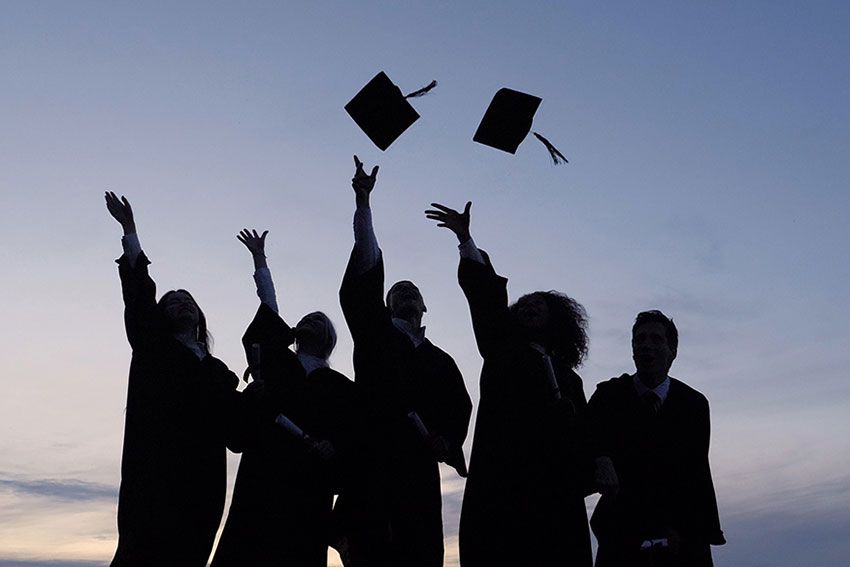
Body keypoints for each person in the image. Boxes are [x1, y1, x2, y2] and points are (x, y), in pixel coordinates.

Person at [425, 201, 594, 567]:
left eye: (538, 304)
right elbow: (486, 301)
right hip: (504, 493)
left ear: (557, 318)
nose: (529, 307)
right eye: (523, 305)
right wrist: (465, 239)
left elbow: (584, 440)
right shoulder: (503, 352)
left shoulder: (570, 379)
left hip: (555, 500)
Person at [339, 157, 472, 567]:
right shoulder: (376, 332)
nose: (406, 292)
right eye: (397, 289)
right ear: (386, 302)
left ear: (425, 305)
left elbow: (459, 409)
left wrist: (447, 441)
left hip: (419, 475)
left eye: (413, 288)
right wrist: (363, 203)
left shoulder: (442, 361)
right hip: (375, 466)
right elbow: (366, 264)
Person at [212, 229, 363, 567]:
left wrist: (334, 446)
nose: (310, 320)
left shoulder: (341, 386)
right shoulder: (279, 366)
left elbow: (353, 434)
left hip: (309, 489)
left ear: (330, 339)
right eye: (306, 318)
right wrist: (260, 260)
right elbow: (269, 310)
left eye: (319, 321)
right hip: (262, 477)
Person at [105, 192, 239, 567]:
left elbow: (237, 429)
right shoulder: (154, 349)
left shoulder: (218, 372)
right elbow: (138, 298)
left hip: (203, 489)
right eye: (172, 301)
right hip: (154, 481)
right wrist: (130, 230)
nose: (181, 303)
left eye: (188, 300)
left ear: (200, 317)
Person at [587, 310, 725, 567]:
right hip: (622, 534)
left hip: (680, 537)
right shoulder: (608, 396)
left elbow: (695, 472)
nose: (646, 345)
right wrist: (600, 457)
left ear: (672, 350)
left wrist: (686, 530)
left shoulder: (693, 404)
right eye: (639, 340)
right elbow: (584, 440)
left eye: (655, 339)